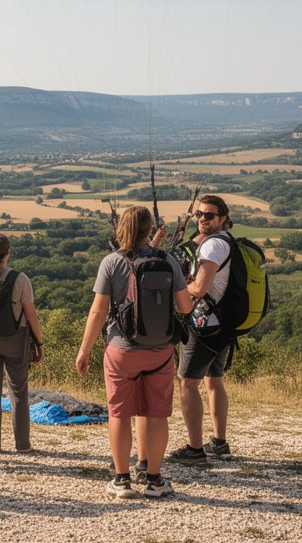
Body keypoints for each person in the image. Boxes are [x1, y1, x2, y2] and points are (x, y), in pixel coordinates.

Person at [76, 206, 192, 499]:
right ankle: (154, 479)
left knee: (119, 413)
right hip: (159, 350)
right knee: (156, 414)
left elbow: (98, 311)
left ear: (121, 229)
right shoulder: (168, 261)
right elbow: (185, 306)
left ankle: (122, 479)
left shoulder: (111, 263)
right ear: (150, 229)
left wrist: (84, 350)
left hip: (120, 350)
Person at [170, 194, 236, 465]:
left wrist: (174, 301)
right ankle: (219, 443)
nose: (202, 219)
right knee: (214, 380)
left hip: (204, 326)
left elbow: (199, 288)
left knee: (187, 383)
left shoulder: (212, 248)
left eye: (209, 215)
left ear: (223, 218)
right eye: (199, 214)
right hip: (222, 324)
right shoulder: (227, 242)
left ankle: (195, 449)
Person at [0, 233, 44, 454]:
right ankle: (22, 445)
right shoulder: (20, 279)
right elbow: (31, 315)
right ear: (8, 253)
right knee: (18, 392)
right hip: (16, 340)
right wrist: (39, 343)